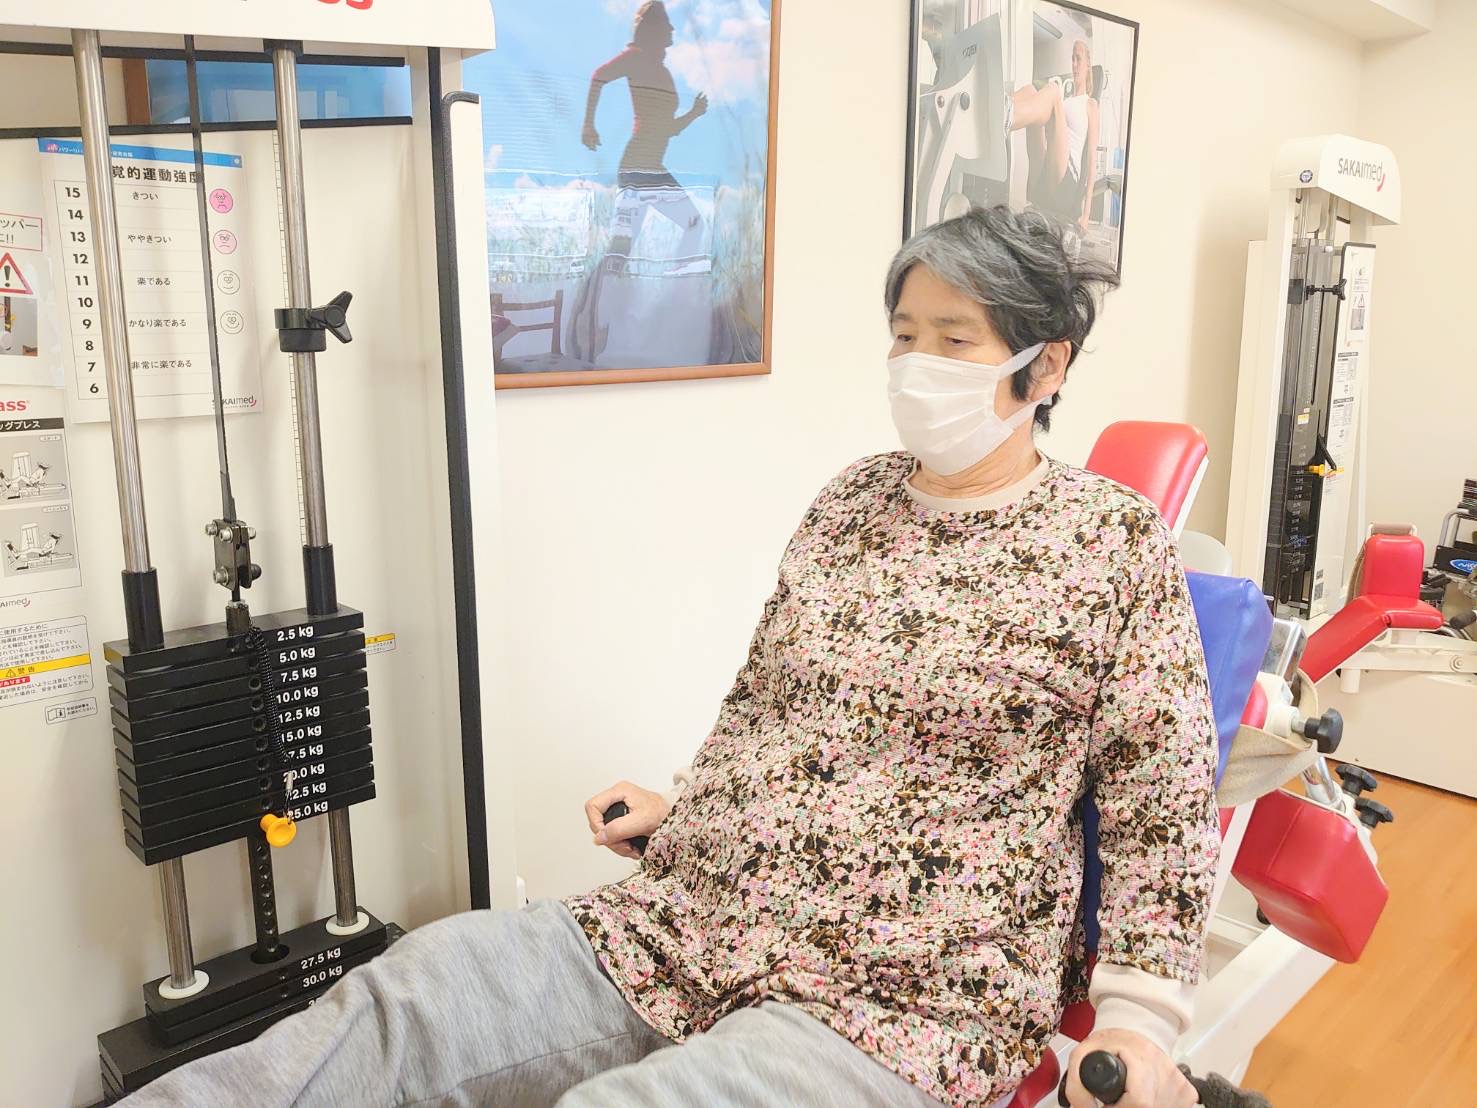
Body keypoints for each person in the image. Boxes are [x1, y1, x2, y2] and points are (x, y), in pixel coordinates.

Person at [120, 207, 1211, 1108]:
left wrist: (1139, 1019)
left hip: (906, 991)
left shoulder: (1109, 543)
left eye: (953, 340)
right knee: (406, 999)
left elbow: (1157, 801)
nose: (914, 363)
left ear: (1044, 365)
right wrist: (691, 806)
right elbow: (768, 703)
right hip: (695, 918)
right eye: (902, 333)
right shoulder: (851, 502)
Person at [581, 0, 708, 264]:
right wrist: (588, 124)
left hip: (650, 167)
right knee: (626, 244)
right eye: (667, 24)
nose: (672, 29)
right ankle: (673, 279)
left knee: (690, 224)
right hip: (639, 165)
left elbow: (667, 129)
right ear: (654, 29)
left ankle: (674, 281)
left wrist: (694, 114)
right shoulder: (636, 58)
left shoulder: (662, 72)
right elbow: (598, 76)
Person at [1010, 39, 1100, 229]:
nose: (1074, 64)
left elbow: (1092, 159)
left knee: (1052, 89)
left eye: (1078, 59)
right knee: (1032, 90)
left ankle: (1009, 116)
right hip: (1046, 173)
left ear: (1088, 64)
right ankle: (1002, 111)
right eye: (1072, 59)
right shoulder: (1064, 102)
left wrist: (1086, 214)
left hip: (1066, 180)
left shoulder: (1090, 104)